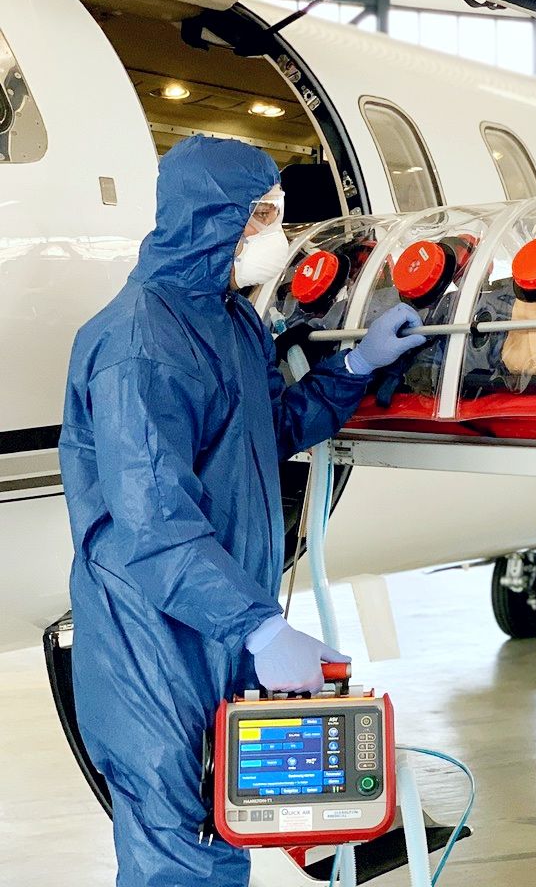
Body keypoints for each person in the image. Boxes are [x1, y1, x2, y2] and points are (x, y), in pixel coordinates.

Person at [58, 136, 426, 887]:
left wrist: (353, 369)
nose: (275, 238)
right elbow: (156, 527)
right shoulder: (138, 347)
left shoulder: (232, 321)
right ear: (210, 217)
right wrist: (256, 626)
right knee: (175, 829)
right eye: (261, 217)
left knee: (223, 814)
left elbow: (269, 429)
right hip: (152, 630)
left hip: (218, 613)